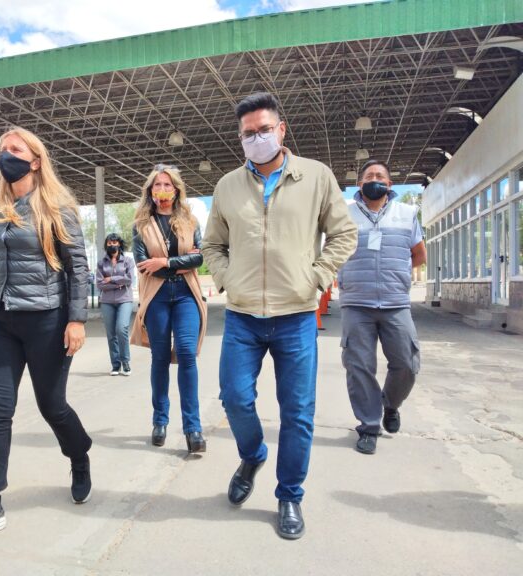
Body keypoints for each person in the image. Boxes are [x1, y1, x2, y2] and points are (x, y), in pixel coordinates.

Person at [202, 92, 357, 539]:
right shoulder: (228, 186)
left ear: (281, 129)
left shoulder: (316, 176)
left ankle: (289, 495)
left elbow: (344, 234)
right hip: (243, 315)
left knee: (298, 411)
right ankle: (252, 455)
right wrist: (228, 279)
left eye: (264, 130)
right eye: (248, 133)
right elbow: (212, 244)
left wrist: (317, 277)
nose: (257, 138)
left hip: (296, 315)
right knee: (234, 397)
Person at [0, 126, 92, 546]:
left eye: (15, 149)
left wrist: (76, 320)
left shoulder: (57, 209)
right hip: (1, 323)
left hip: (47, 321)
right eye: (3, 148)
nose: (6, 154)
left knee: (52, 406)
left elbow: (78, 268)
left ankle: (79, 455)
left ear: (35, 161)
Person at [337, 159, 426, 455]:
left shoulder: (407, 214)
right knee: (359, 366)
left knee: (407, 363)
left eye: (380, 176)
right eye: (368, 176)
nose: (374, 179)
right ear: (359, 184)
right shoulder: (344, 215)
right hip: (356, 304)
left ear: (389, 184)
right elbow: (332, 252)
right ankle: (369, 426)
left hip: (395, 303)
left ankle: (390, 404)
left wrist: (397, 275)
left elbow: (419, 255)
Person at [130, 164, 208, 454]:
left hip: (186, 295)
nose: (162, 189)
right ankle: (160, 421)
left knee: (187, 353)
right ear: (150, 191)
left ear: (176, 190)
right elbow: (143, 265)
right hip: (157, 296)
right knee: (160, 357)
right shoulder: (140, 225)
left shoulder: (190, 221)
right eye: (157, 185)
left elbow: (199, 258)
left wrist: (164, 262)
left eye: (167, 185)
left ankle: (193, 428)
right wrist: (180, 263)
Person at [96, 233, 134, 376]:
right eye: (110, 243)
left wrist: (111, 279)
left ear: (119, 244)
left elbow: (129, 279)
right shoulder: (101, 263)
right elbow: (100, 284)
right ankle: (115, 365)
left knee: (121, 328)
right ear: (106, 245)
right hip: (107, 302)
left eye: (115, 242)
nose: (112, 245)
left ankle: (126, 361)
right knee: (111, 333)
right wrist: (118, 283)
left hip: (125, 300)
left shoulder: (128, 261)